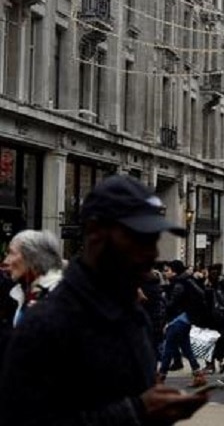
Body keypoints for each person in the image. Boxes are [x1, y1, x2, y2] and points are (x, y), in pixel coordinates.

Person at [0, 174, 209, 425]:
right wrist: (137, 412)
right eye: (137, 238)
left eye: (153, 240)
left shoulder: (131, 313)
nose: (151, 252)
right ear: (95, 232)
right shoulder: (47, 323)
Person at [157, 259, 208, 387]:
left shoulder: (178, 285)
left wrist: (163, 298)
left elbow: (171, 305)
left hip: (177, 320)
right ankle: (198, 374)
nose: (164, 273)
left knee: (168, 348)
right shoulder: (186, 281)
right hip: (185, 319)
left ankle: (160, 377)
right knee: (186, 348)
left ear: (174, 272)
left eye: (167, 270)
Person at [4, 229, 64, 327]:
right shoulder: (21, 292)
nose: (6, 261)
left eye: (11, 253)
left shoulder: (59, 292)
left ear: (32, 256)